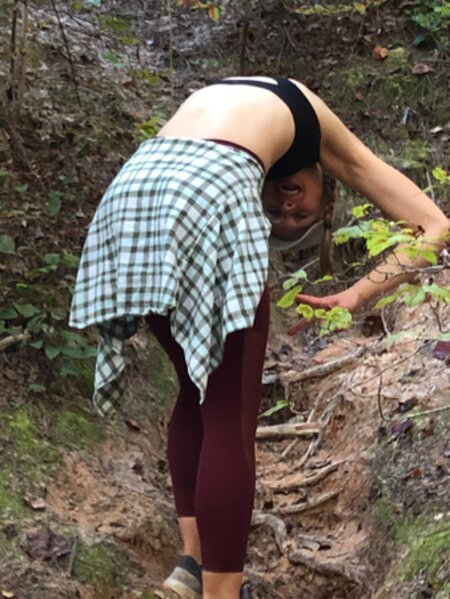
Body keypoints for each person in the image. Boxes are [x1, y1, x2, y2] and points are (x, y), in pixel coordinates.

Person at [69, 76, 449, 599]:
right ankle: (222, 592)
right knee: (230, 411)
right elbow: (435, 225)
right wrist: (358, 296)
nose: (286, 209)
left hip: (131, 193)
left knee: (198, 391)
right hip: (200, 188)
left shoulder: (240, 105)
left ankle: (192, 567)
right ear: (329, 192)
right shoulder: (310, 116)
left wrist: (354, 295)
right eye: (285, 213)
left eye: (293, 217)